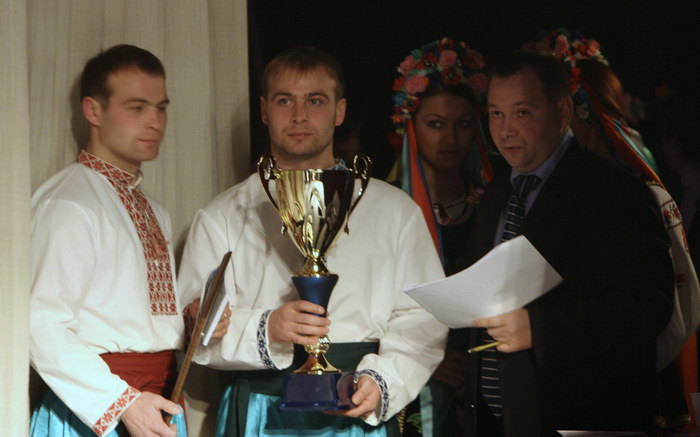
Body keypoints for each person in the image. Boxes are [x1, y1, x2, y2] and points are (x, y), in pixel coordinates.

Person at [177, 46, 448, 437]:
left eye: (315, 101)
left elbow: (423, 316)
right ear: (264, 110)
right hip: (261, 411)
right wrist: (266, 329)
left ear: (339, 111)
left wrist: (384, 379)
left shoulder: (393, 210)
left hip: (356, 406)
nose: (299, 115)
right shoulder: (222, 215)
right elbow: (196, 336)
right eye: (284, 100)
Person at [462, 50, 674, 435]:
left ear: (562, 112)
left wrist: (539, 329)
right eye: (495, 113)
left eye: (522, 112)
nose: (505, 130)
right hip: (499, 416)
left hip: (580, 417)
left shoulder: (612, 190)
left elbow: (647, 305)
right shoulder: (499, 191)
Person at [29, 44, 210, 437]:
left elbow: (132, 318)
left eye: (160, 108)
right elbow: (41, 326)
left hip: (157, 401)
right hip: (96, 412)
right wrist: (122, 402)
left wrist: (193, 319)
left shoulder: (154, 208)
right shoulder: (69, 204)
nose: (155, 122)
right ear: (93, 111)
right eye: (137, 107)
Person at [527, 28, 700, 429]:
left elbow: (670, 309)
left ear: (574, 113)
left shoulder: (635, 192)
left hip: (626, 385)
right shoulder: (535, 189)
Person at [387, 37, 491, 436]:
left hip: (483, 377)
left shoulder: (491, 205)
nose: (449, 138)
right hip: (407, 383)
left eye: (462, 124)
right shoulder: (386, 207)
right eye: (435, 124)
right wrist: (428, 356)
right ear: (409, 124)